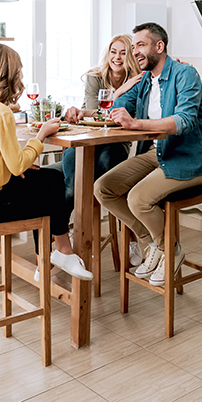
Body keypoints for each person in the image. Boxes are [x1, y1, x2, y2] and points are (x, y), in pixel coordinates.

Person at [0, 42, 93, 281]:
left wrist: (13, 166)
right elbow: (18, 165)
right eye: (18, 71)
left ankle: (53, 256)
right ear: (7, 75)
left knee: (47, 178)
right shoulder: (0, 112)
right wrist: (40, 137)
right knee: (52, 183)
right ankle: (56, 254)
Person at [93, 23, 202, 287]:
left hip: (188, 159)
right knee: (103, 188)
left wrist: (136, 123)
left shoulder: (185, 74)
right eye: (134, 46)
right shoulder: (145, 80)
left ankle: (170, 249)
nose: (135, 51)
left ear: (159, 47)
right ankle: (151, 243)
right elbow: (119, 109)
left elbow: (185, 120)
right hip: (157, 153)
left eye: (140, 45)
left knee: (138, 198)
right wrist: (120, 94)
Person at [63, 34, 145, 265]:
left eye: (122, 52)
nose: (117, 57)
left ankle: (127, 240)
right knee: (72, 185)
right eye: (113, 52)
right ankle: (73, 235)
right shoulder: (95, 77)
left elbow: (126, 118)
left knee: (112, 176)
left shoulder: (138, 80)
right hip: (88, 138)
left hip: (116, 142)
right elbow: (94, 112)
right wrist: (118, 93)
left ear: (129, 56)